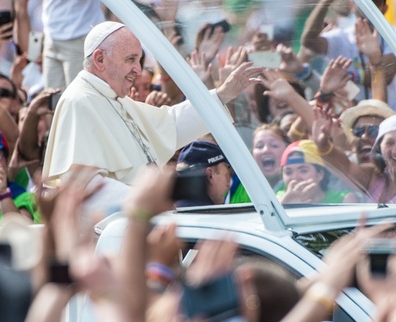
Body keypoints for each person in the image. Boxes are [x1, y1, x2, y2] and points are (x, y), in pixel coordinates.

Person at [41, 21, 261, 217]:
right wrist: (151, 202)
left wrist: (221, 95)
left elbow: (169, 124)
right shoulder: (79, 101)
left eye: (139, 60)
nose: (138, 69)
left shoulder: (113, 98)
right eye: (130, 60)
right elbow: (84, 186)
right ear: (99, 59)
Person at [277, 140, 358, 204]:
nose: (295, 178)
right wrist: (286, 205)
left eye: (303, 170)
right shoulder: (277, 200)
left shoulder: (345, 200)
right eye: (288, 172)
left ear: (320, 174)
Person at [175, 140, 232, 207]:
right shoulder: (213, 216)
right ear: (210, 175)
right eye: (226, 176)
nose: (228, 184)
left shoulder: (166, 213)